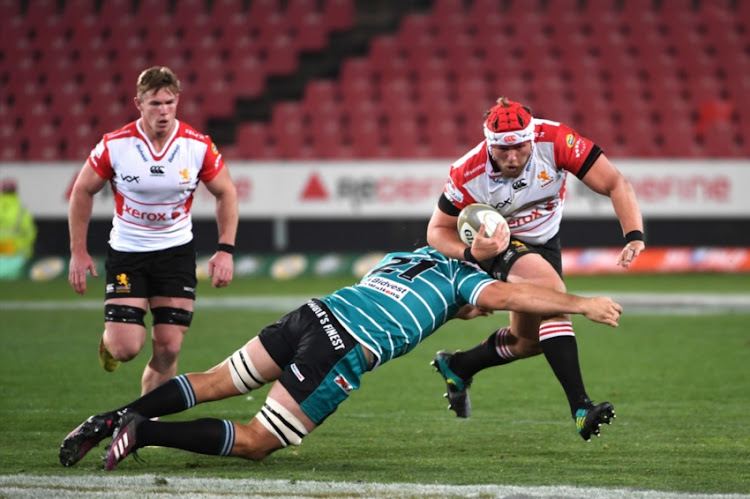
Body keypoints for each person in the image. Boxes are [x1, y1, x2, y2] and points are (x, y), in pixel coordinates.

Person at [59, 246, 623, 470]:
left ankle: (110, 417)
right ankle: (146, 431)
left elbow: (440, 305)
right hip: (343, 345)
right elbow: (512, 296)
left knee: (214, 379)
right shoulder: (470, 280)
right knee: (259, 441)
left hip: (312, 313)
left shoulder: (411, 256)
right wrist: (582, 303)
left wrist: (460, 308)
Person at [426, 97, 644, 438]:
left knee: (529, 342)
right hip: (499, 243)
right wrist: (471, 252)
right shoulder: (467, 172)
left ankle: (458, 365)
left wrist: (633, 234)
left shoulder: (555, 140)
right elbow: (436, 231)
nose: (512, 158)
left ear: (532, 137)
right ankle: (581, 408)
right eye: (502, 150)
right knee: (552, 294)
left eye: (520, 148)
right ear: (489, 144)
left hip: (546, 242)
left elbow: (616, 182)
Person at [67, 66, 238, 396]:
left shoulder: (197, 146)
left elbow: (226, 192)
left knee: (169, 347)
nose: (163, 111)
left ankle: (145, 418)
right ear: (138, 104)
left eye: (169, 103)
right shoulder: (115, 146)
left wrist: (225, 250)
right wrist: (78, 250)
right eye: (155, 103)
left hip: (175, 253)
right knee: (125, 349)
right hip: (128, 253)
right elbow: (81, 191)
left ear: (178, 101)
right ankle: (109, 343)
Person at [0, 178, 38, 279]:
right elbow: (31, 234)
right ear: (15, 191)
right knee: (14, 290)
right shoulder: (22, 211)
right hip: (16, 255)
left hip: (4, 252)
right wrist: (18, 246)